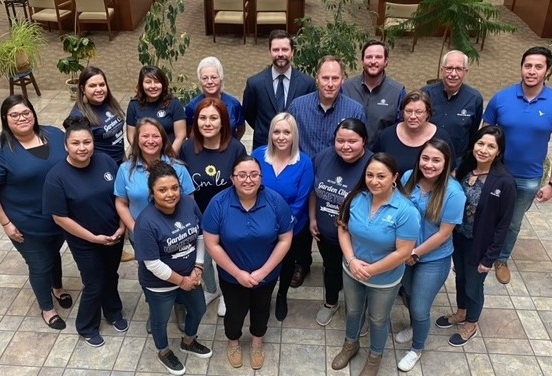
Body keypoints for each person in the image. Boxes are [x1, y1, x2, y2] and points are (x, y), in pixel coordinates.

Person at [331, 153, 420, 376]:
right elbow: (342, 227)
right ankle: (351, 344)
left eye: (381, 176)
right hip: (352, 270)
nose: (374, 181)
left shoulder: (406, 211)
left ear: (394, 177)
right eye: (370, 175)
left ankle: (374, 357)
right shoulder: (357, 198)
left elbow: (404, 253)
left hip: (384, 280)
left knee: (378, 319)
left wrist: (369, 270)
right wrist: (352, 261)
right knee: (352, 311)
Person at [203, 155, 294, 370]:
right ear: (232, 178)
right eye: (242, 175)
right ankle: (233, 342)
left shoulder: (275, 201)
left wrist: (263, 272)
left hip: (267, 274)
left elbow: (285, 238)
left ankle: (257, 341)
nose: (248, 180)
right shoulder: (218, 203)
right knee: (234, 311)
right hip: (231, 276)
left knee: (261, 308)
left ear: (261, 177)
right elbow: (212, 244)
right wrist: (237, 273)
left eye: (254, 174)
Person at [43, 122, 126, 347]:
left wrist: (122, 226)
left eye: (87, 142)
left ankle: (113, 312)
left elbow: (120, 196)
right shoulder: (57, 176)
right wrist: (92, 238)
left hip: (114, 235)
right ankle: (87, 326)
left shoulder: (106, 161)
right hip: (84, 243)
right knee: (94, 283)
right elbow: (59, 217)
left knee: (111, 275)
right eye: (76, 143)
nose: (82, 147)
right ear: (66, 145)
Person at [435, 126, 515, 347]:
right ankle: (461, 313)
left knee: (474, 285)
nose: (484, 150)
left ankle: (471, 323)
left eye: (491, 146)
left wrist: (489, 258)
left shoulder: (504, 181)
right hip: (458, 238)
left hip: (479, 245)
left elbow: (503, 225)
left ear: (498, 152)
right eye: (481, 143)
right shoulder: (465, 168)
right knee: (460, 278)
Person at [114, 117, 194, 332]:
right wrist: (135, 228)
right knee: (151, 273)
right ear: (136, 139)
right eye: (145, 136)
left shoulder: (177, 167)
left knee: (179, 269)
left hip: (176, 235)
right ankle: (157, 310)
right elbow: (121, 202)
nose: (150, 140)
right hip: (141, 234)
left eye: (155, 136)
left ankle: (180, 307)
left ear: (163, 139)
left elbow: (189, 202)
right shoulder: (125, 169)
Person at [0, 95, 72, 330]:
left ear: (33, 113)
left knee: (54, 254)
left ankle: (58, 288)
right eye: (14, 115)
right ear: (5, 119)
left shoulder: (54, 134)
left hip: (58, 218)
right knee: (39, 264)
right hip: (25, 222)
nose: (22, 118)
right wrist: (6, 224)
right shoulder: (3, 149)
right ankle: (47, 309)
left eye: (25, 112)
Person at [134, 161, 212, 376]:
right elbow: (152, 264)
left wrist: (198, 266)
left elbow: (200, 234)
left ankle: (188, 341)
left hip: (191, 274)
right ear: (152, 193)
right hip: (159, 284)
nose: (170, 194)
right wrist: (183, 281)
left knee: (199, 309)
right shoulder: (146, 222)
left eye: (174, 187)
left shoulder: (188, 203)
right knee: (159, 321)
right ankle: (163, 351)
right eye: (162, 190)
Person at [394, 138, 466, 372]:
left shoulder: (454, 193)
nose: (429, 164)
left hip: (432, 259)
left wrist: (414, 253)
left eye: (436, 160)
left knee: (420, 307)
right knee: (410, 296)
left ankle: (417, 348)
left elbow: (444, 234)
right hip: (404, 254)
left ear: (446, 163)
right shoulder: (407, 178)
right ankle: (416, 326)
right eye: (425, 158)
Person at [482, 46, 552, 284]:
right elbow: (484, 136)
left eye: (538, 66)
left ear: (548, 71)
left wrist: (551, 183)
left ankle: (501, 258)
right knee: (485, 214)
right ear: (521, 67)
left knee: (513, 222)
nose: (531, 71)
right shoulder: (501, 98)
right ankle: (479, 254)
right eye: (528, 65)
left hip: (528, 178)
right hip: (496, 172)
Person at [180, 97, 246, 317]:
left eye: (213, 118)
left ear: (223, 122)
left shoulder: (236, 149)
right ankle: (211, 289)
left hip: (228, 217)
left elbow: (245, 184)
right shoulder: (188, 148)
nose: (207, 123)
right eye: (203, 118)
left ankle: (227, 294)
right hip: (197, 216)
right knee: (203, 258)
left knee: (225, 258)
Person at [310, 118, 373, 327]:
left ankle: (359, 311)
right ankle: (331, 303)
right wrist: (312, 217)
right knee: (331, 269)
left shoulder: (373, 164)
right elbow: (314, 190)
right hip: (326, 233)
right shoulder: (323, 157)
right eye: (340, 140)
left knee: (359, 275)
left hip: (359, 238)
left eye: (352, 141)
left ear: (364, 140)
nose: (345, 146)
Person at [251, 112, 314, 321]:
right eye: (276, 132)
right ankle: (264, 294)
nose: (281, 137)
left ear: (294, 135)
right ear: (270, 134)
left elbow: (301, 201)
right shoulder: (259, 156)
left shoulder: (304, 162)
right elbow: (251, 189)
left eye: (287, 132)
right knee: (262, 262)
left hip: (292, 227)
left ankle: (282, 295)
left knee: (287, 263)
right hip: (260, 223)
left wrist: (281, 227)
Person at [243, 29, 316, 149]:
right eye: (276, 50)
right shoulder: (255, 83)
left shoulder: (307, 84)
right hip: (264, 147)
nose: (280, 54)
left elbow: (310, 116)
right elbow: (249, 114)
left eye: (285, 49)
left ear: (292, 52)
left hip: (296, 148)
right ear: (270, 52)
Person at [288, 55, 367, 158]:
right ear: (317, 79)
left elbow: (361, 150)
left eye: (335, 78)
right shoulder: (297, 107)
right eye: (325, 78)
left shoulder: (355, 112)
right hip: (304, 170)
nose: (330, 84)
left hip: (340, 171)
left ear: (343, 80)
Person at [373, 90, 455, 176]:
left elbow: (450, 172)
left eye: (418, 112)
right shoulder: (387, 135)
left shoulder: (442, 136)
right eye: (408, 111)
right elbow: (375, 165)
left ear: (428, 113)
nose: (412, 116)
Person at [343, 40, 406, 148]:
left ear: (386, 61)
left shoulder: (398, 92)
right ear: (362, 61)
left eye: (378, 57)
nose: (373, 61)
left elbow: (403, 127)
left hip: (382, 156)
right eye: (369, 57)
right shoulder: (346, 88)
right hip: (349, 154)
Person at [422, 50, 483, 161]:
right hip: (427, 159)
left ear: (466, 72)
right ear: (442, 70)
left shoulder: (475, 99)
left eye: (459, 69)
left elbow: (472, 133)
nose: (453, 74)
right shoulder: (426, 94)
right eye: (449, 68)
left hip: (457, 161)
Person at [68, 66, 125, 165]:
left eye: (102, 84)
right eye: (92, 86)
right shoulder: (78, 116)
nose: (99, 89)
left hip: (120, 161)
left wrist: (124, 157)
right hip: (101, 166)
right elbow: (78, 151)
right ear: (83, 89)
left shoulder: (109, 103)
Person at [126, 66, 187, 153]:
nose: (153, 86)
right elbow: (131, 136)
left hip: (170, 156)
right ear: (141, 84)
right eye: (148, 82)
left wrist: (169, 159)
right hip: (144, 156)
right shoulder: (134, 104)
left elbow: (181, 136)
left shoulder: (174, 103)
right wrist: (142, 156)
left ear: (163, 83)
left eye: (157, 82)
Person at [186, 56, 245, 139]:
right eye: (205, 78)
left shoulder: (234, 104)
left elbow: (241, 129)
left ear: (221, 78)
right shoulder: (192, 106)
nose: (210, 82)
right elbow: (189, 132)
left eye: (214, 77)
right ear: (200, 81)